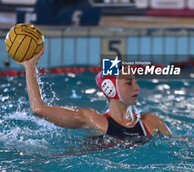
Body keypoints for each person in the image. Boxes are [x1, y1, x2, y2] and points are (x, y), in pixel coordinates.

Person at [20, 48, 172, 139]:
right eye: (128, 82)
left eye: (135, 80)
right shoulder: (92, 119)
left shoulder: (151, 122)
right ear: (109, 88)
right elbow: (38, 109)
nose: (137, 87)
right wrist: (30, 66)